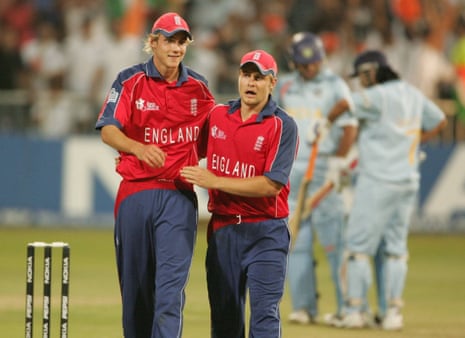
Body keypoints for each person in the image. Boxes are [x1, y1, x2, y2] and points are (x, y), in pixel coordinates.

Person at [95, 12, 215, 338]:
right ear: (153, 42)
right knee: (135, 293)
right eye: (169, 41)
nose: (176, 48)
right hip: (135, 192)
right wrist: (138, 148)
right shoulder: (129, 80)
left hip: (178, 196)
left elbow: (212, 139)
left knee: (170, 291)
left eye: (181, 42)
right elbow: (108, 130)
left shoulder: (199, 88)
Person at [180, 50, 298, 338]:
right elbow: (185, 149)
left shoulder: (282, 125)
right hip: (223, 232)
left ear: (272, 83)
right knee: (224, 320)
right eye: (246, 75)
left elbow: (271, 185)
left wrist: (216, 181)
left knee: (265, 316)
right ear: (238, 77)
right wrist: (133, 156)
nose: (251, 82)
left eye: (259, 77)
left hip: (266, 233)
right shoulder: (218, 115)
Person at [327, 50, 447, 330]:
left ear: (371, 72)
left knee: (357, 248)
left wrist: (325, 123)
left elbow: (344, 104)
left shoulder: (378, 95)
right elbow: (440, 120)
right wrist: (413, 143)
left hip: (376, 181)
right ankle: (392, 313)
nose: (361, 83)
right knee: (395, 250)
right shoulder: (412, 93)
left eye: (362, 77)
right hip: (407, 181)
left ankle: (356, 311)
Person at [274, 31, 357, 324]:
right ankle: (304, 307)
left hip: (323, 176)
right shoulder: (284, 87)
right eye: (304, 64)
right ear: (294, 62)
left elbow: (349, 127)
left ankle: (349, 308)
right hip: (290, 178)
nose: (310, 68)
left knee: (336, 243)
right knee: (296, 244)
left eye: (314, 63)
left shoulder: (335, 85)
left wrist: (338, 162)